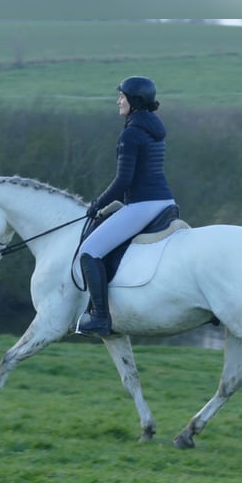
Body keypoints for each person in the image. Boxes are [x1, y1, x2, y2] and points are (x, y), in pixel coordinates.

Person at [76, 76, 176, 337]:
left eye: (122, 96)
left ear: (134, 101)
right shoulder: (153, 128)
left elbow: (123, 181)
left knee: (89, 250)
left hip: (142, 205)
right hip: (165, 201)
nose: (118, 100)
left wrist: (96, 205)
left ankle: (99, 316)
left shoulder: (130, 133)